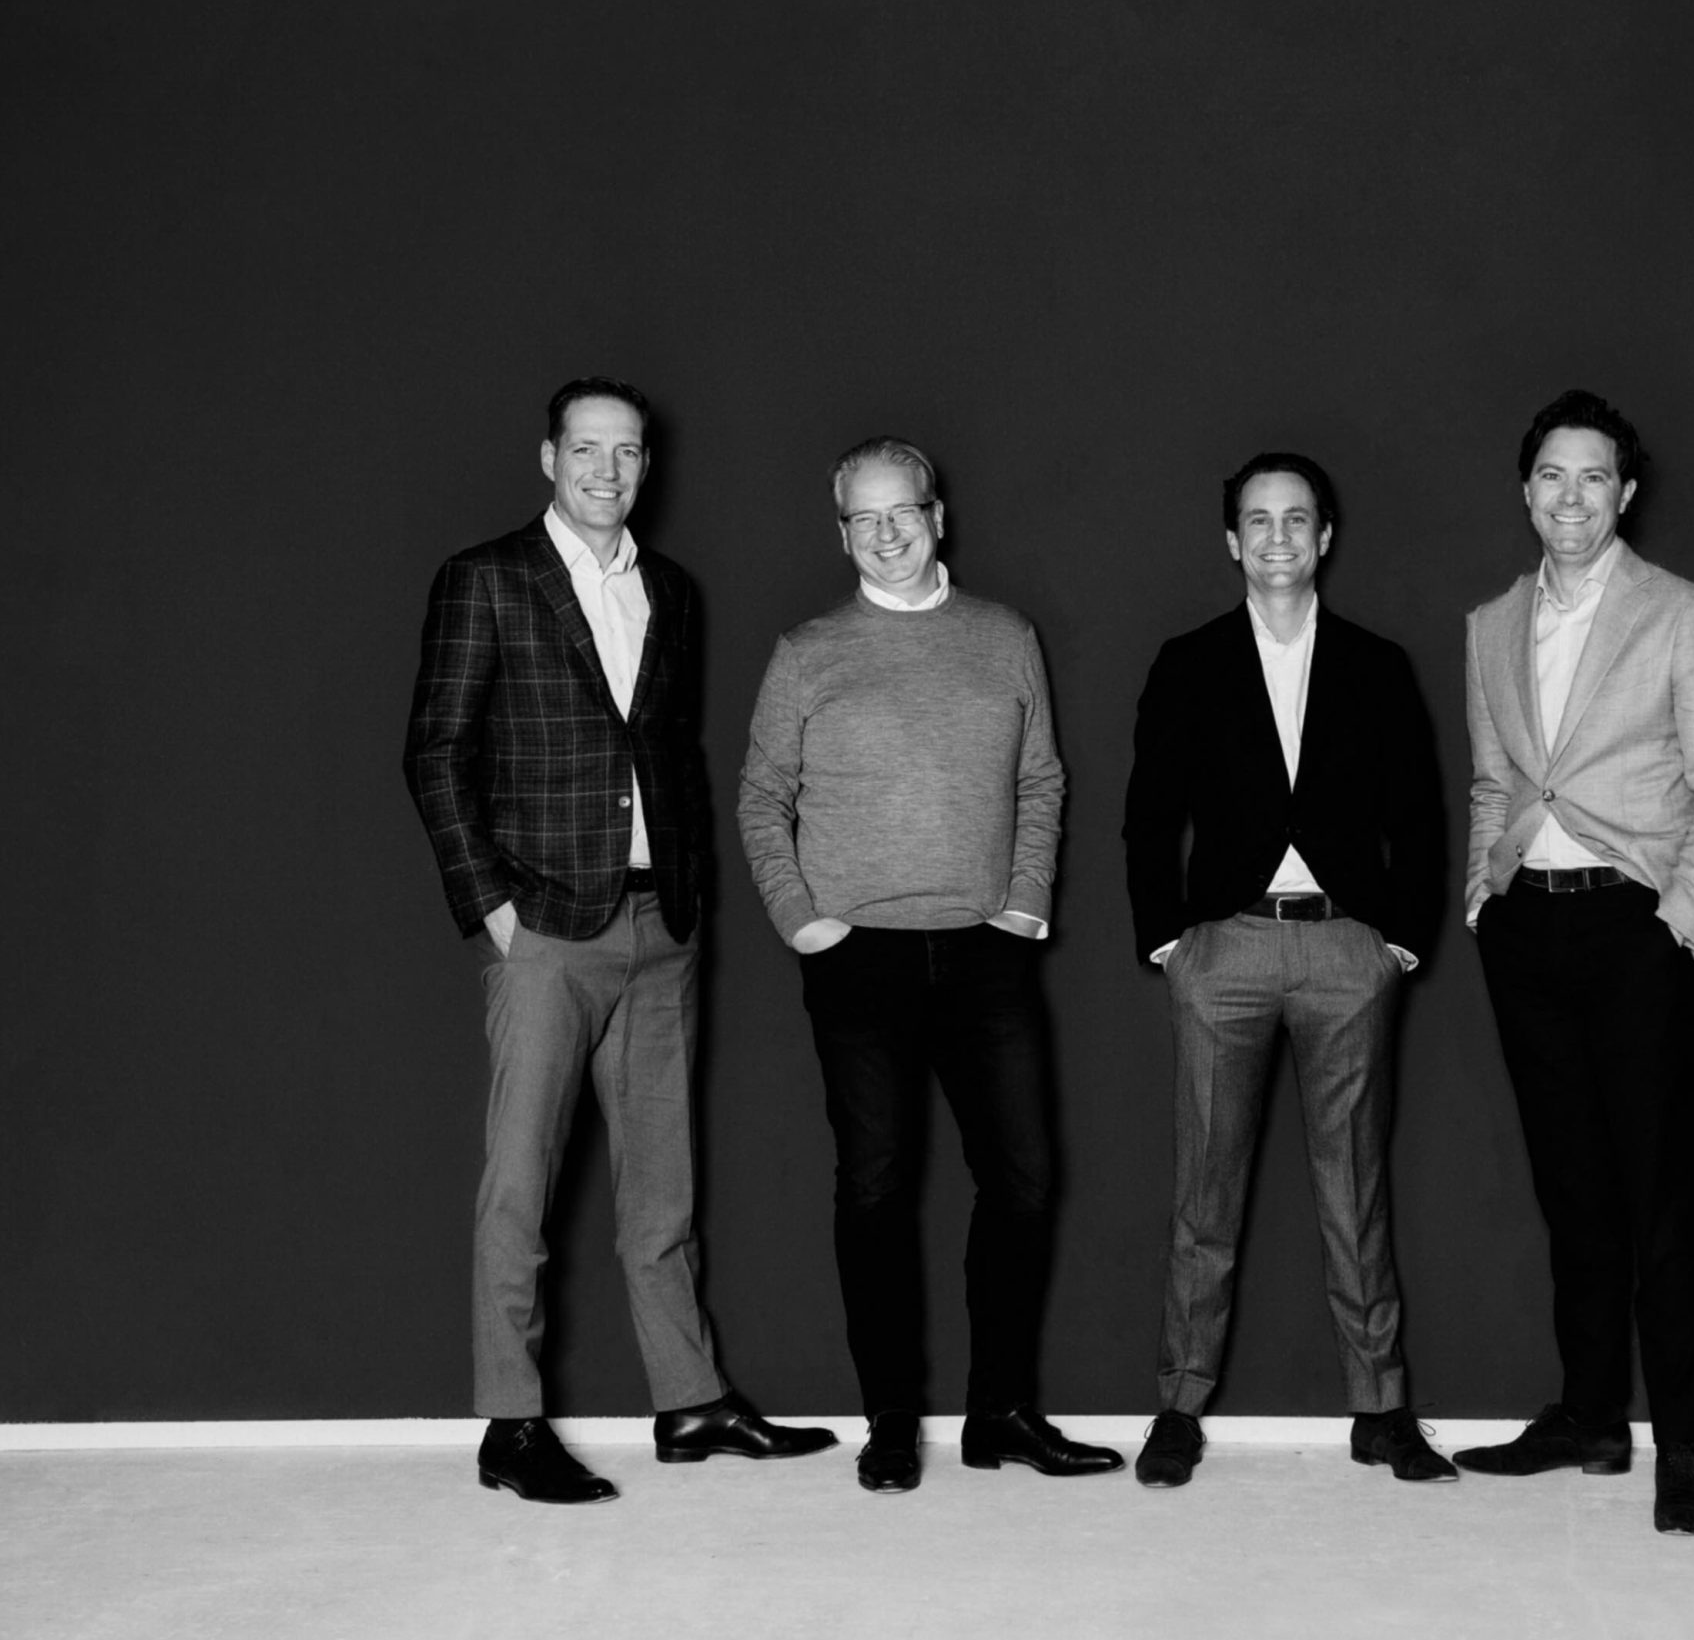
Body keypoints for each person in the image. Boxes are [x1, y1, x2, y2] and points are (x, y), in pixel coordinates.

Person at [404, 377, 834, 1504]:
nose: (608, 470)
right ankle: (510, 1426)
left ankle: (690, 1400)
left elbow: (667, 747)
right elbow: (435, 751)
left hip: (660, 920)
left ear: (647, 464)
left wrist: (687, 890)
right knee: (520, 1184)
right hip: (544, 926)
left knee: (662, 1184)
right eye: (587, 449)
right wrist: (493, 907)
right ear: (550, 457)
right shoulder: (487, 578)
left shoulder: (670, 589)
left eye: (628, 451)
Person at [737, 436, 1122, 1494]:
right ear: (842, 532)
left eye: (900, 511)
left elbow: (1041, 779)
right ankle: (892, 1420)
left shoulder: (1004, 636)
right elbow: (760, 797)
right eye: (862, 518)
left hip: (986, 952)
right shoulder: (807, 650)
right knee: (874, 1186)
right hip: (856, 958)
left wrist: (1025, 902)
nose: (885, 532)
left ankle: (999, 1413)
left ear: (936, 515)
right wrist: (803, 920)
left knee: (1023, 1180)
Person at [1451, 389, 1694, 1534]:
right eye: (1551, 474)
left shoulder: (1687, 616)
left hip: (1638, 927)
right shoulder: (1489, 623)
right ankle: (1589, 1415)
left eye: (1593, 476)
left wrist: (1677, 924)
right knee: (1569, 1188)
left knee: (1659, 1194)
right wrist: (1481, 895)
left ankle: (1678, 1442)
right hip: (1526, 930)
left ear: (1623, 493)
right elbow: (1493, 779)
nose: (1570, 496)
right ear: (1525, 491)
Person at [1121, 454, 1453, 1487]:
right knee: (1204, 1190)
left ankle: (1381, 1407)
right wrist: (1170, 942)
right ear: (1233, 541)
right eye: (1258, 521)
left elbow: (1420, 814)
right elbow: (1147, 814)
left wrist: (1396, 943)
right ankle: (1178, 1404)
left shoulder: (1377, 664)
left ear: (1324, 536)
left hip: (1346, 947)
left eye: (1296, 519)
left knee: (1354, 1189)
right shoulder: (1188, 661)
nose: (1277, 537)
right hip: (1223, 947)